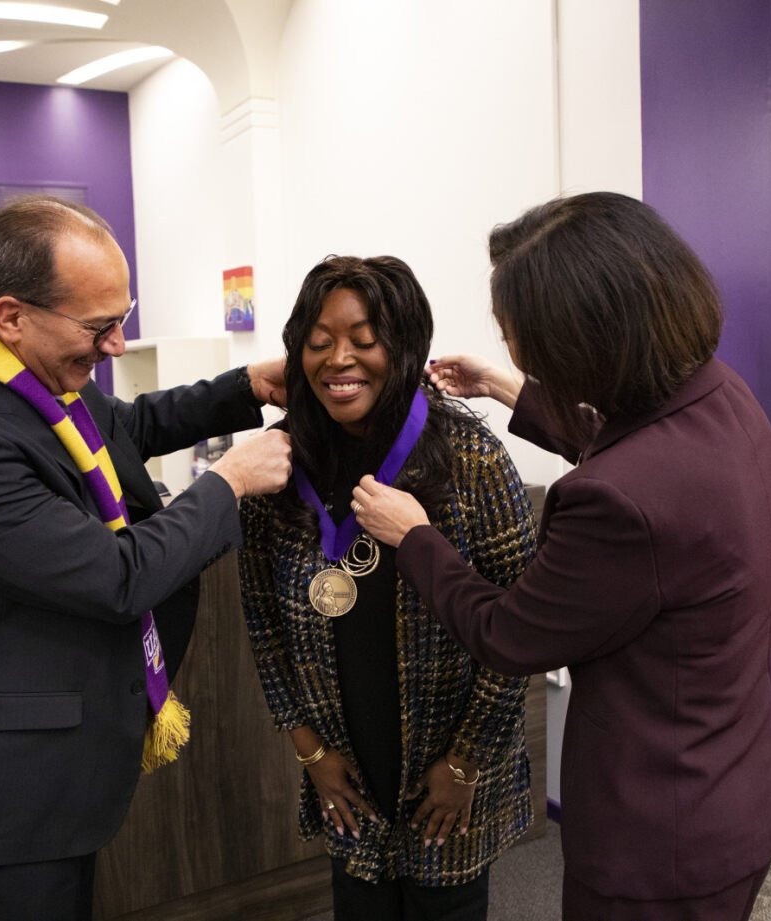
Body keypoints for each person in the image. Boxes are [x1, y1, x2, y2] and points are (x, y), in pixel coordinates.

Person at [351, 193, 771, 921]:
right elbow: (637, 452)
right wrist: (505, 388)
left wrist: (415, 536)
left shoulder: (613, 500)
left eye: (515, 336)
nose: (513, 349)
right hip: (731, 790)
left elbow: (510, 633)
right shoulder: (722, 396)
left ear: (581, 340)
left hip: (658, 846)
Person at [0, 194, 292, 921]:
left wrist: (246, 385)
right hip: (2, 786)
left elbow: (126, 425)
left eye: (121, 321)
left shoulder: (22, 382)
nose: (114, 347)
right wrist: (228, 480)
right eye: (99, 327)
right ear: (10, 315)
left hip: (46, 767)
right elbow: (115, 576)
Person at [238, 255, 537, 920]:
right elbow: (262, 623)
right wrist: (309, 750)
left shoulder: (471, 459)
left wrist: (464, 763)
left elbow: (518, 631)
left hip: (451, 769)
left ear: (402, 347)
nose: (338, 359)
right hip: (344, 769)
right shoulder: (277, 463)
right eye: (318, 342)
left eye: (363, 340)